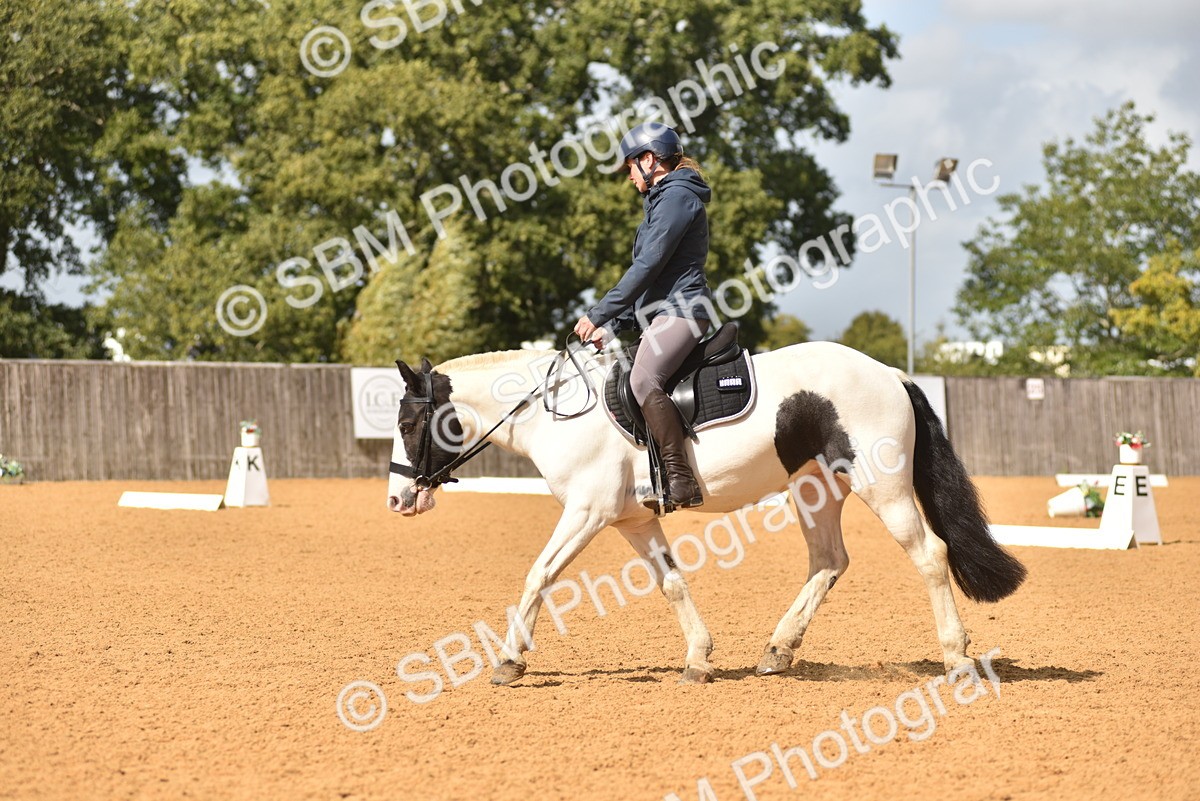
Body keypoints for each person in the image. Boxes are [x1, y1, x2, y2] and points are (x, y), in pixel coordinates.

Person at [573, 122, 713, 511]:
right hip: (662, 312)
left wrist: (600, 313)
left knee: (643, 379)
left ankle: (680, 479)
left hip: (682, 311)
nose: (630, 176)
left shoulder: (677, 198)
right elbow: (652, 280)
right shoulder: (662, 200)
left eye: (631, 167)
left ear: (650, 160)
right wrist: (615, 327)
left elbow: (647, 267)